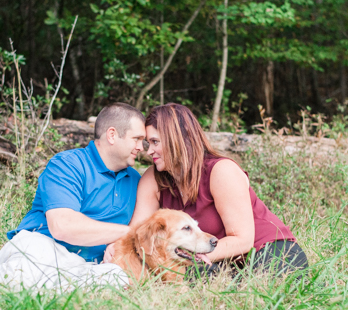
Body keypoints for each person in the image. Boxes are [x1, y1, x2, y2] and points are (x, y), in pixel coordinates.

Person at [107, 103, 308, 275]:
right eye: (147, 143)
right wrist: (117, 247)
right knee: (190, 277)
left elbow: (243, 240)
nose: (148, 151)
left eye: (155, 142)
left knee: (218, 284)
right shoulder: (153, 178)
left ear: (177, 140)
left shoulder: (221, 171)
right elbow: (138, 232)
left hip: (268, 252)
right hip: (216, 261)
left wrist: (192, 257)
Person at [6, 102, 146, 262]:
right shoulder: (67, 165)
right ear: (112, 135)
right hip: (43, 249)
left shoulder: (136, 181)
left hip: (92, 265)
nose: (141, 147)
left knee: (119, 278)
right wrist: (129, 234)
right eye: (136, 139)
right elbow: (63, 227)